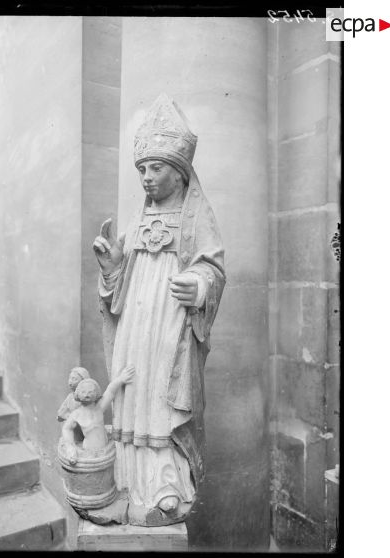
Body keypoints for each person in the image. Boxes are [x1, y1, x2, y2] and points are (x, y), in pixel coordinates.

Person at [93, 93, 225, 524]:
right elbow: (119, 285)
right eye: (142, 170)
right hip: (135, 323)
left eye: (156, 169)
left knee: (162, 400)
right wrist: (112, 268)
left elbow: (214, 267)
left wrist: (201, 287)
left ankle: (167, 488)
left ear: (180, 173)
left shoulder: (195, 217)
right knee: (135, 392)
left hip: (171, 326)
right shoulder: (138, 221)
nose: (147, 178)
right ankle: (130, 483)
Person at [61, 367, 136, 464]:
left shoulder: (99, 408)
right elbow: (66, 428)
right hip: (89, 451)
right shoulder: (77, 414)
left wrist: (121, 379)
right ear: (78, 394)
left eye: (90, 392)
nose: (87, 395)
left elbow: (110, 391)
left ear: (96, 393)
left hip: (104, 450)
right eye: (83, 392)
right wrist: (70, 446)